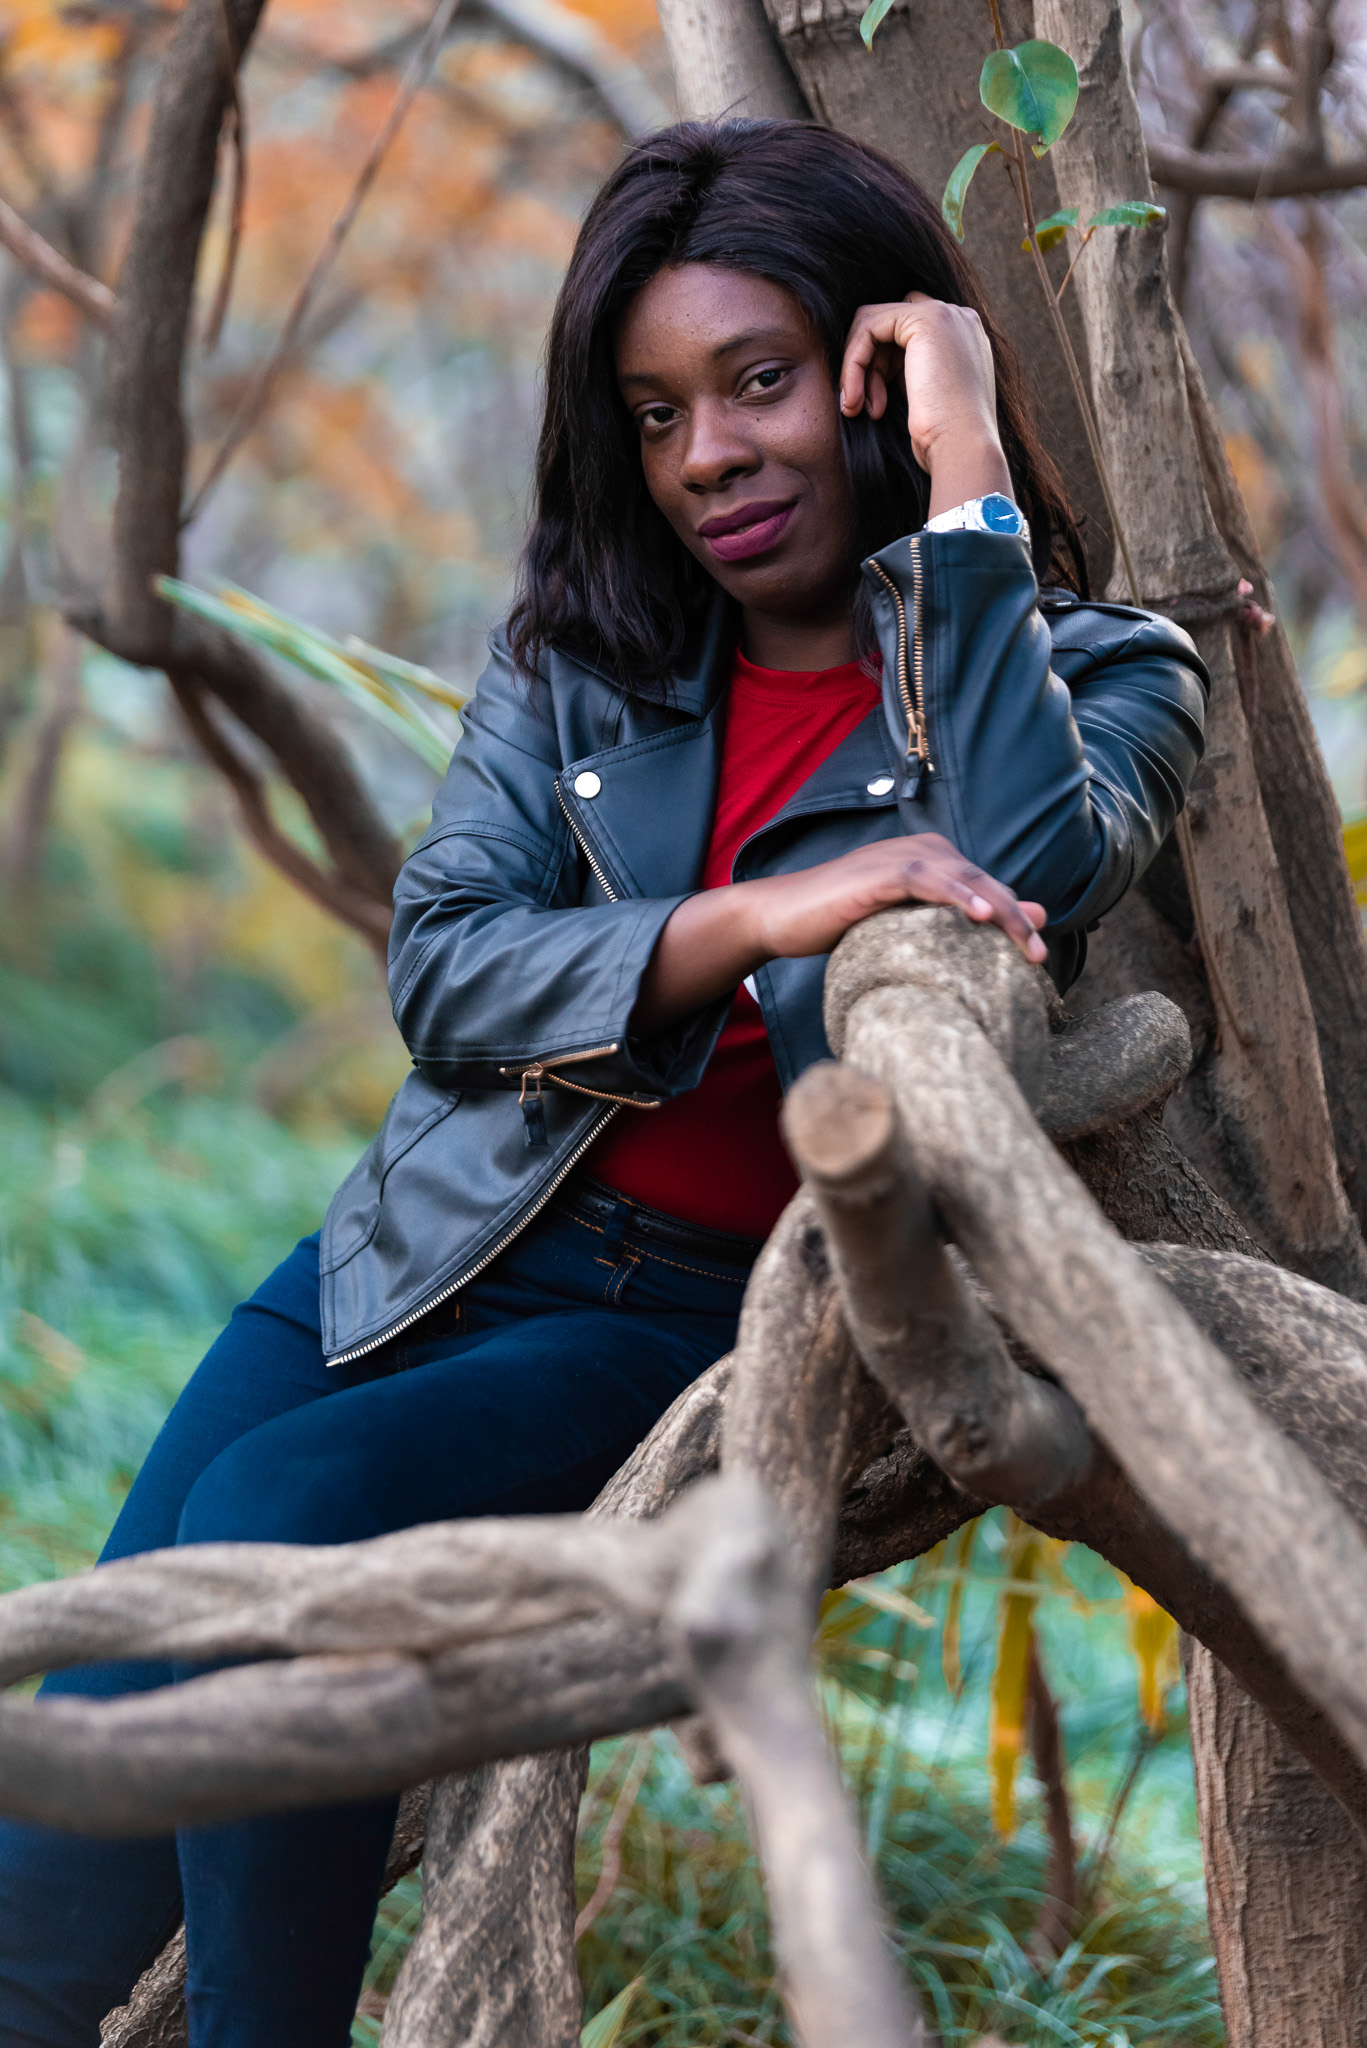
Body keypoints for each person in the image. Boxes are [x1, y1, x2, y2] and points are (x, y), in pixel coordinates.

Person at [0, 118, 1207, 2048]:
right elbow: (444, 966)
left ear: (879, 369)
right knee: (50, 1881)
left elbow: (1029, 862)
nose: (707, 453)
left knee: (284, 1508)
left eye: (759, 381)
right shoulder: (584, 660)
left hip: (687, 1317)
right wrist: (758, 914)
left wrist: (968, 470)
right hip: (419, 1252)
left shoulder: (1113, 672)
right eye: (656, 415)